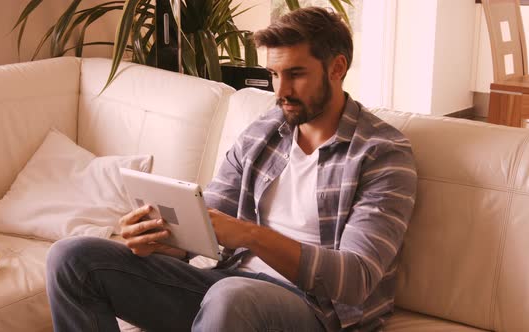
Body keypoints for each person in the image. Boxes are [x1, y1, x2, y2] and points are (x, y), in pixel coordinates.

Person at [46, 6, 417, 332]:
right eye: (273, 74)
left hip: (315, 310)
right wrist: (161, 239)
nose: (280, 90)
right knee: (72, 258)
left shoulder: (382, 154)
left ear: (337, 68)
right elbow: (207, 225)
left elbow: (356, 278)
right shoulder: (265, 131)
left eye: (296, 74)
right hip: (225, 285)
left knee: (232, 295)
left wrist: (249, 235)